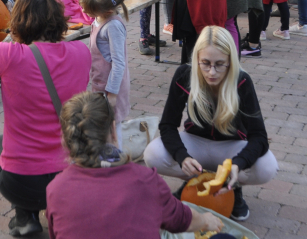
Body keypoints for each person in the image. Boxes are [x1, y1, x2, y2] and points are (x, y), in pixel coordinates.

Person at [0, 0, 91, 237]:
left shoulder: (10, 56)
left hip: (21, 182)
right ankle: (58, 208)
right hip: (70, 175)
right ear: (59, 20)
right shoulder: (82, 53)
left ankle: (25, 215)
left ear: (18, 22)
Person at [143, 26, 278, 222]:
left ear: (230, 62)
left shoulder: (242, 81)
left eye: (219, 64)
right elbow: (167, 126)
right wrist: (182, 157)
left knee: (267, 166)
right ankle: (194, 182)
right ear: (197, 59)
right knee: (153, 154)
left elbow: (259, 136)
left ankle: (233, 187)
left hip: (231, 148)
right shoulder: (184, 75)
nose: (212, 72)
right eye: (205, 63)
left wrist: (239, 164)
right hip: (195, 141)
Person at [46, 92, 224, 239]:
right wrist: (207, 220)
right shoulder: (145, 180)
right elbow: (183, 220)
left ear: (65, 139)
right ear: (114, 131)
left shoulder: (55, 189)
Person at [80, 0, 130, 146]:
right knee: (103, 124)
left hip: (111, 88)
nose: (85, 12)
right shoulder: (98, 19)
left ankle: (117, 161)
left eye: (90, 11)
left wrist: (112, 93)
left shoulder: (113, 26)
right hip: (100, 84)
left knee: (114, 128)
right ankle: (105, 158)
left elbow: (119, 62)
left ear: (107, 10)